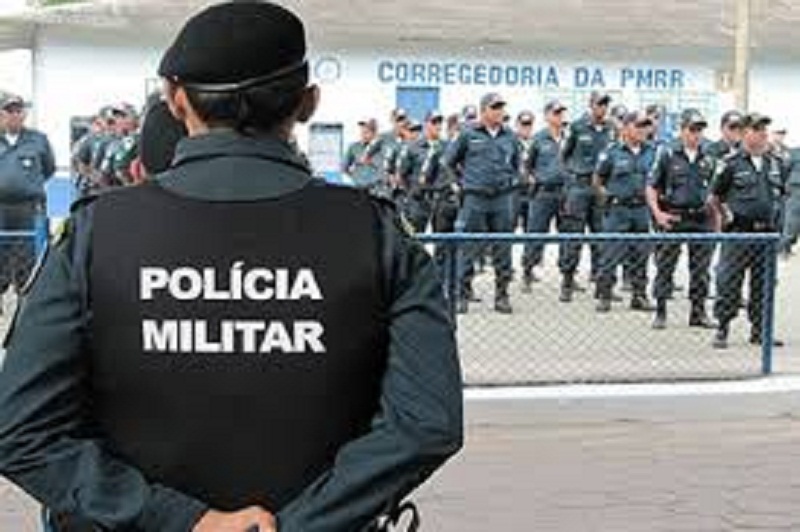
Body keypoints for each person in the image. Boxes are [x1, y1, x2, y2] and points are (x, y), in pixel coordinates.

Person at [0, 3, 463, 532]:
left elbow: (22, 431)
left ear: (175, 100)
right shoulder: (376, 234)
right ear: (308, 102)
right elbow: (426, 424)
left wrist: (183, 520)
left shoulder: (95, 233)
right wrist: (295, 524)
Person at [709, 113, 787, 349]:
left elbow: (782, 194)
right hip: (739, 234)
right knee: (729, 282)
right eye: (757, 129)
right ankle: (723, 328)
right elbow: (715, 197)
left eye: (764, 129)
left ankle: (759, 330)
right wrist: (725, 219)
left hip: (766, 235)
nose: (763, 134)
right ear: (744, 133)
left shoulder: (775, 163)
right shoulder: (731, 163)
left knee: (764, 284)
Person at [444, 92, 519, 314]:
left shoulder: (510, 136)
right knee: (468, 247)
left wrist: (511, 182)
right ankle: (462, 294)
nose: (499, 112)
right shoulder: (468, 134)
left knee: (503, 248)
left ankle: (502, 295)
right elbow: (448, 162)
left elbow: (516, 164)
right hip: (475, 198)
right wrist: (457, 184)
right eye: (495, 107)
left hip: (502, 198)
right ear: (483, 110)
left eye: (501, 107)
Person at [646, 109, 716, 329]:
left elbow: (714, 189)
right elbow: (652, 187)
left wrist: (716, 219)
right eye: (692, 129)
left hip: (701, 218)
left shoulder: (709, 154)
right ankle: (660, 311)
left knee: (701, 269)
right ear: (682, 129)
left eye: (700, 130)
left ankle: (698, 312)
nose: (697, 134)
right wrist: (658, 214)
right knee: (666, 265)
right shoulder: (667, 153)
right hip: (674, 216)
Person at [594, 110, 657, 313]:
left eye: (645, 126)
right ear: (626, 127)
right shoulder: (612, 152)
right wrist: (606, 197)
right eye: (638, 126)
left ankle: (639, 295)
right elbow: (598, 179)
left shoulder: (652, 152)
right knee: (610, 253)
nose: (642, 130)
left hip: (641, 210)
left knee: (641, 254)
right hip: (618, 209)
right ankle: (605, 294)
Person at [559, 91, 615, 302]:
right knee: (574, 236)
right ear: (591, 105)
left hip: (600, 189)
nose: (602, 108)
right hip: (579, 186)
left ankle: (602, 284)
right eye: (599, 104)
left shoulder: (612, 129)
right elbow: (564, 155)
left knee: (601, 237)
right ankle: (567, 282)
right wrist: (571, 179)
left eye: (605, 104)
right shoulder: (577, 127)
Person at [0, 92, 55, 303]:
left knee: (30, 256)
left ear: (24, 114)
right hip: (1, 208)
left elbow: (48, 169)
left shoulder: (38, 140)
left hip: (29, 207)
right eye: (9, 111)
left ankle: (27, 302)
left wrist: (26, 185)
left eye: (18, 110)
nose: (14, 115)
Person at [521, 100, 568, 292]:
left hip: (565, 193)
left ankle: (567, 277)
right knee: (536, 233)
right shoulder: (539, 139)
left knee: (568, 235)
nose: (559, 116)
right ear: (547, 116)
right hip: (543, 193)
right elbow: (527, 165)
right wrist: (533, 180)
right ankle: (527, 271)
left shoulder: (569, 137)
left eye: (561, 113)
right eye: (556, 113)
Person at [343, 117, 383, 190]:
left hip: (375, 188)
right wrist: (354, 178)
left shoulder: (382, 148)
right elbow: (344, 167)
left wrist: (371, 162)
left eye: (366, 132)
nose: (363, 135)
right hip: (357, 188)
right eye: (362, 132)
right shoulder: (353, 147)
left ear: (374, 133)